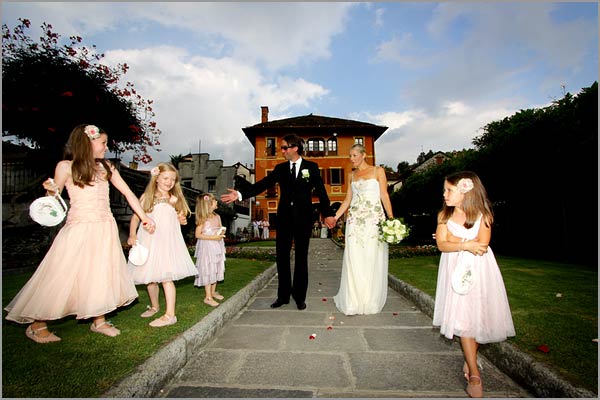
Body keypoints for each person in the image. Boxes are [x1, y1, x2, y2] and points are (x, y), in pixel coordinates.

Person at [5, 124, 156, 343]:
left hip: (104, 227)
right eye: (103, 143)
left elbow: (128, 193)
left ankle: (99, 321)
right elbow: (54, 197)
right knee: (64, 273)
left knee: (100, 273)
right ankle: (37, 325)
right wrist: (50, 189)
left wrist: (144, 217)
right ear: (88, 142)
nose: (106, 147)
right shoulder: (65, 166)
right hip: (79, 227)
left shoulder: (107, 167)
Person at [221, 134, 336, 310]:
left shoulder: (311, 167)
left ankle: (299, 297)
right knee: (282, 257)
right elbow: (263, 183)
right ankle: (283, 296)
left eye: (284, 148)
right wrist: (240, 194)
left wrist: (328, 214)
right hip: (284, 218)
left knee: (301, 258)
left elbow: (321, 192)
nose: (282, 151)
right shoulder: (280, 168)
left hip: (303, 218)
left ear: (295, 148)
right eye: (281, 148)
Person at [433, 171, 515, 398]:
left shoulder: (483, 214)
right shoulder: (444, 215)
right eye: (445, 190)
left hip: (480, 270)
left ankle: (470, 360)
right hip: (454, 270)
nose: (444, 194)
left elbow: (483, 244)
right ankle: (475, 373)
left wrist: (457, 241)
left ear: (465, 191)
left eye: (449, 190)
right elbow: (441, 244)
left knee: (479, 316)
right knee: (464, 319)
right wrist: (465, 244)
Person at [127, 162, 197, 327]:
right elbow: (136, 218)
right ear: (156, 177)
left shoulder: (175, 199)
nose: (169, 182)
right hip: (149, 240)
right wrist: (131, 235)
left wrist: (179, 214)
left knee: (166, 276)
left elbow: (182, 220)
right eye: (166, 178)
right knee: (150, 277)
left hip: (166, 243)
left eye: (173, 179)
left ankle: (170, 315)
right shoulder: (147, 197)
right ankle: (155, 306)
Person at [332, 144, 394, 315]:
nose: (351, 158)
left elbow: (384, 195)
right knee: (354, 258)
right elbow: (346, 200)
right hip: (354, 222)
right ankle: (353, 300)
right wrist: (335, 217)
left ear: (363, 155)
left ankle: (369, 300)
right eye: (350, 155)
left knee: (371, 257)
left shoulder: (377, 171)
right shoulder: (351, 175)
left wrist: (391, 219)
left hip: (373, 221)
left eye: (354, 155)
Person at [194, 193, 226, 307]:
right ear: (208, 204)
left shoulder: (217, 216)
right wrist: (213, 237)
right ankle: (208, 296)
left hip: (217, 245)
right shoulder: (203, 218)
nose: (217, 202)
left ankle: (213, 292)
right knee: (208, 268)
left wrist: (221, 232)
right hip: (207, 246)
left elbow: (220, 227)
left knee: (216, 267)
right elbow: (198, 234)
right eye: (214, 201)